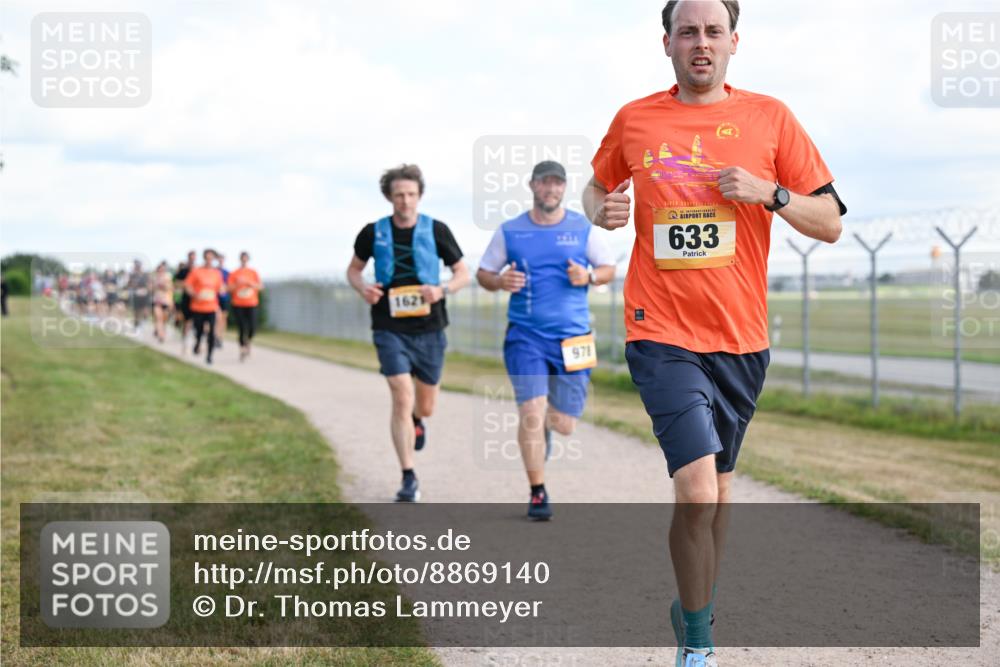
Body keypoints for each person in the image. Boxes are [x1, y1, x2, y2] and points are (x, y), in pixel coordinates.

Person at [583, 2, 846, 665]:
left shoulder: (771, 118)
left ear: (734, 41)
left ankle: (693, 601)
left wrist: (771, 193)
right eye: (688, 31)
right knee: (697, 486)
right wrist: (605, 209)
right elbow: (594, 188)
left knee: (722, 487)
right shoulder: (635, 118)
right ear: (666, 42)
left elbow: (831, 220)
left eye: (713, 31)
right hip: (659, 329)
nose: (701, 42)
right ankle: (698, 643)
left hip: (741, 336)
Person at [477, 161, 616, 520]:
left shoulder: (582, 228)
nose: (550, 190)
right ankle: (537, 492)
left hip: (574, 338)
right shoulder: (511, 231)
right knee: (531, 412)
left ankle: (547, 430)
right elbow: (484, 273)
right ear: (532, 186)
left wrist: (587, 275)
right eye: (544, 183)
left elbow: (608, 270)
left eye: (557, 184)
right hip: (526, 336)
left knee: (564, 423)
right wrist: (499, 282)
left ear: (564, 189)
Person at [347, 164, 470, 502]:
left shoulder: (437, 230)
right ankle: (408, 476)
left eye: (411, 194)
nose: (405, 201)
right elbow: (354, 270)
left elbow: (462, 272)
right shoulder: (373, 232)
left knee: (425, 405)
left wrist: (442, 290)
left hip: (429, 327)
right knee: (401, 394)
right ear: (389, 197)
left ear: (419, 196)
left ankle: (418, 419)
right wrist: (363, 289)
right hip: (389, 326)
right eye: (399, 195)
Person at [183, 249, 226, 365]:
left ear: (213, 259)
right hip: (198, 307)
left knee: (212, 332)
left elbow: (220, 288)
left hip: (211, 307)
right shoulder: (196, 271)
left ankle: (209, 356)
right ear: (204, 258)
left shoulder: (217, 273)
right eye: (207, 258)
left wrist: (223, 290)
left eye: (211, 258)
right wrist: (194, 294)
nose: (209, 260)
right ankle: (197, 343)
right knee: (199, 330)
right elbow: (187, 285)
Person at [227, 251, 263, 361]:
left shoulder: (253, 272)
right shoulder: (234, 273)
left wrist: (250, 284)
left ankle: (248, 341)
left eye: (246, 258)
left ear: (248, 259)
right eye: (242, 258)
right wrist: (238, 284)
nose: (244, 260)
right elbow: (228, 288)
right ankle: (242, 348)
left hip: (252, 303)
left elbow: (260, 287)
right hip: (238, 304)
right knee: (242, 327)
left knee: (252, 327)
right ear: (240, 259)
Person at [173, 250, 196, 353]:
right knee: (186, 320)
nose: (192, 259)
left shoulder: (198, 270)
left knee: (194, 321)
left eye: (194, 257)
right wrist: (186, 285)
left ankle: (194, 339)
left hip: (197, 300)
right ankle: (185, 340)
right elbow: (176, 283)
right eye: (191, 257)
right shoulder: (183, 271)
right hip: (185, 299)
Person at [151, 261, 174, 343]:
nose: (161, 270)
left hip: (166, 300)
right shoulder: (154, 278)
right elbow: (151, 288)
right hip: (157, 300)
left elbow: (170, 288)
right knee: (158, 317)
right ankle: (161, 335)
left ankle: (160, 330)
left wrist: (171, 301)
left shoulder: (168, 277)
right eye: (159, 269)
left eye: (162, 269)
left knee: (164, 319)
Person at [127, 259, 151, 331]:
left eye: (138, 265)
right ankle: (136, 325)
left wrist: (148, 289)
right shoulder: (132, 275)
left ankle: (144, 321)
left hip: (145, 294)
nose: (137, 267)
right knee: (137, 311)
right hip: (136, 295)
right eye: (136, 265)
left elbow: (149, 284)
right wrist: (132, 284)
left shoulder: (146, 274)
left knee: (145, 309)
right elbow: (129, 285)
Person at [215, 253, 231, 349]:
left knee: (223, 319)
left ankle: (220, 337)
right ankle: (215, 336)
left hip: (225, 298)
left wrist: (225, 288)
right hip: (215, 298)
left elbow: (230, 285)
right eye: (219, 259)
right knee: (218, 318)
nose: (220, 261)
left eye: (222, 259)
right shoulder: (214, 271)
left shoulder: (227, 272)